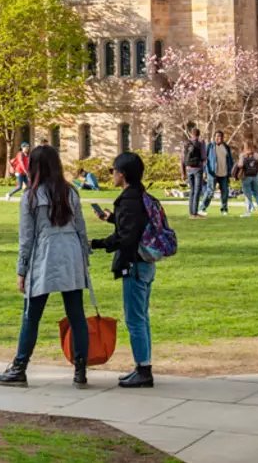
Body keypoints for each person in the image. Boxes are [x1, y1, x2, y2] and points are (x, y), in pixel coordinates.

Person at [0, 144, 91, 390]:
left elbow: (26, 237)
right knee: (76, 314)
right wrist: (84, 262)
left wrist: (21, 270)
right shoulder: (71, 193)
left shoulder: (32, 196)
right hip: (70, 254)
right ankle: (80, 369)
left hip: (45, 255)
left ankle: (19, 367)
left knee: (31, 315)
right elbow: (81, 229)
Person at [89, 151, 155, 389]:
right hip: (146, 264)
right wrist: (110, 218)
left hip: (134, 265)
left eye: (113, 170)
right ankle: (142, 365)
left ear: (122, 174)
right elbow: (132, 224)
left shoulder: (128, 200)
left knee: (135, 319)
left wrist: (97, 244)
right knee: (142, 317)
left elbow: (126, 237)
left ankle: (144, 369)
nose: (112, 174)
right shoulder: (140, 196)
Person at [200, 130, 235, 216]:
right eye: (217, 136)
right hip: (212, 173)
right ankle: (202, 208)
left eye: (220, 136)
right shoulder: (210, 146)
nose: (218, 138)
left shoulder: (226, 147)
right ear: (214, 137)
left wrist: (232, 172)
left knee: (225, 192)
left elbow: (230, 160)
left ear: (223, 138)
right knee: (210, 191)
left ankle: (224, 209)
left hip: (224, 173)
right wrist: (204, 171)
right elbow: (204, 160)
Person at [236, 143, 258, 217]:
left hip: (246, 177)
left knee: (247, 195)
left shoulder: (243, 155)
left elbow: (240, 165)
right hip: (255, 176)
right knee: (257, 193)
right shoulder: (256, 155)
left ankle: (248, 212)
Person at [180, 128, 205, 218]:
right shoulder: (200, 143)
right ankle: (195, 213)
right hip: (198, 168)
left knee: (192, 190)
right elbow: (203, 156)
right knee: (197, 191)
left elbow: (182, 159)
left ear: (191, 134)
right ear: (199, 134)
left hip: (188, 169)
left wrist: (183, 173)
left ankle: (191, 212)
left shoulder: (186, 144)